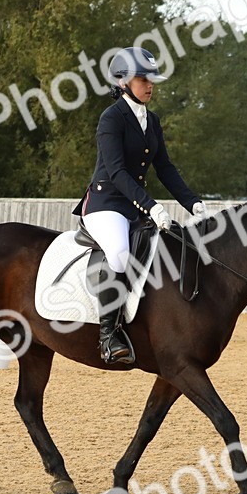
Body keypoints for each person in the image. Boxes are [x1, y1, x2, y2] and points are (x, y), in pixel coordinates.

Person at [72, 46, 207, 365]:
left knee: (172, 247)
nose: (150, 85)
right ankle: (108, 335)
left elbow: (165, 168)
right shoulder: (111, 119)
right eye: (142, 79)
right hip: (106, 204)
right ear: (123, 82)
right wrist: (153, 207)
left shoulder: (152, 120)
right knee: (119, 254)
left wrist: (193, 203)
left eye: (151, 80)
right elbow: (117, 172)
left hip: (134, 206)